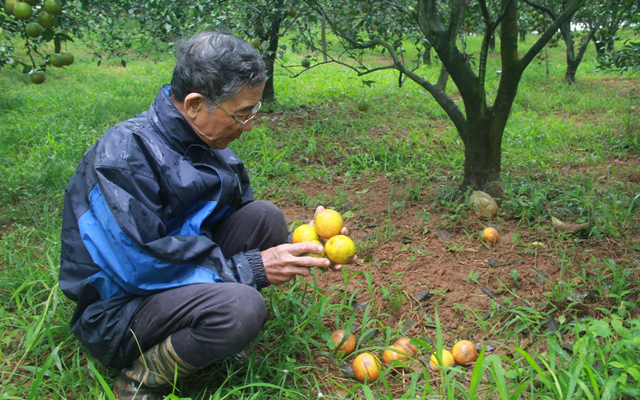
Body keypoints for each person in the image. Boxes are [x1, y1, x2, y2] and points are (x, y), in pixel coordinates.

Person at [59, 31, 348, 400]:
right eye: (242, 113)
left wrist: (310, 240)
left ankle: (208, 333)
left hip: (166, 282)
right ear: (195, 104)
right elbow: (139, 263)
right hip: (119, 308)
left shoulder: (208, 142)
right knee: (243, 307)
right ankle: (140, 378)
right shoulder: (125, 156)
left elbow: (236, 219)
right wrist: (251, 268)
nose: (249, 125)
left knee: (265, 217)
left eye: (254, 111)